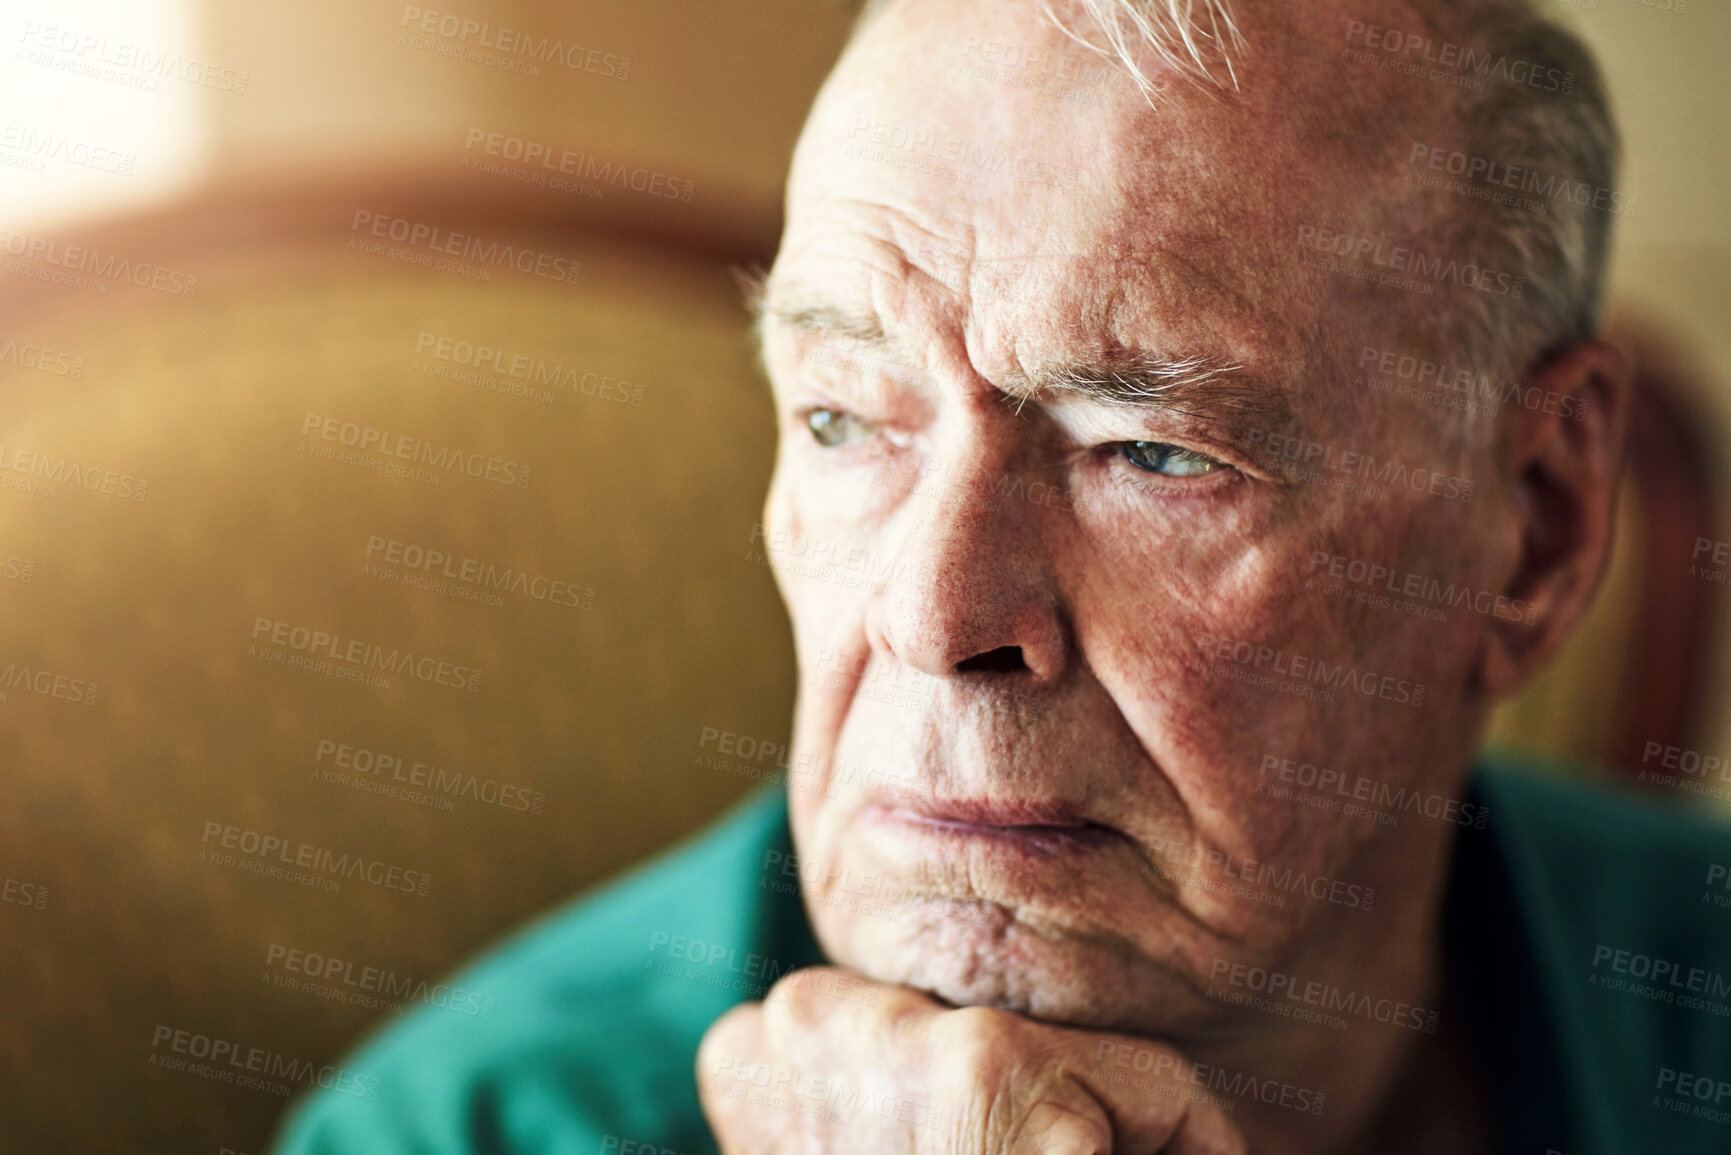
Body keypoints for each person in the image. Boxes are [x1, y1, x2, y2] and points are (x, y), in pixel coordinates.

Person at [273, 0, 1731, 1151]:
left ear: (1531, 527)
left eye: (1153, 451)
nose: (930, 617)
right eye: (845, 419)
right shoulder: (456, 1133)